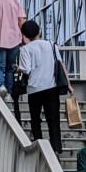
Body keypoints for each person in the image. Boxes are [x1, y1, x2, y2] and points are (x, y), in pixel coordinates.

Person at [17, 20, 73, 154]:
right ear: (39, 31)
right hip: (51, 87)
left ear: (25, 35)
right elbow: (61, 65)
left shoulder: (25, 49)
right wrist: (69, 84)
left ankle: (39, 146)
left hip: (34, 89)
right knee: (53, 120)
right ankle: (56, 149)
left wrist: (17, 68)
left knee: (35, 120)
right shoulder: (51, 45)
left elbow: (26, 69)